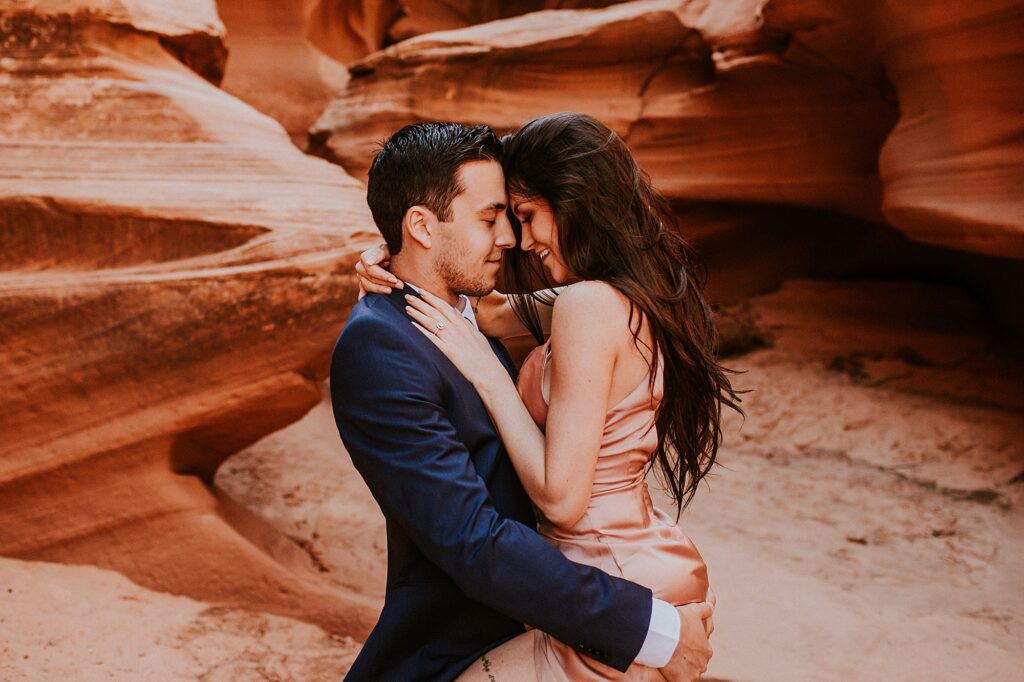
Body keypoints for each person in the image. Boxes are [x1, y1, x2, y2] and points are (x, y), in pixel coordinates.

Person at [356, 112, 744, 680]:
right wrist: (392, 254)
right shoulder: (615, 298)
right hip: (629, 563)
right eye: (505, 217)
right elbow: (483, 312)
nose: (520, 239)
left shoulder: (587, 306)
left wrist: (491, 381)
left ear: (577, 203)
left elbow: (561, 501)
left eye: (528, 215)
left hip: (611, 576)